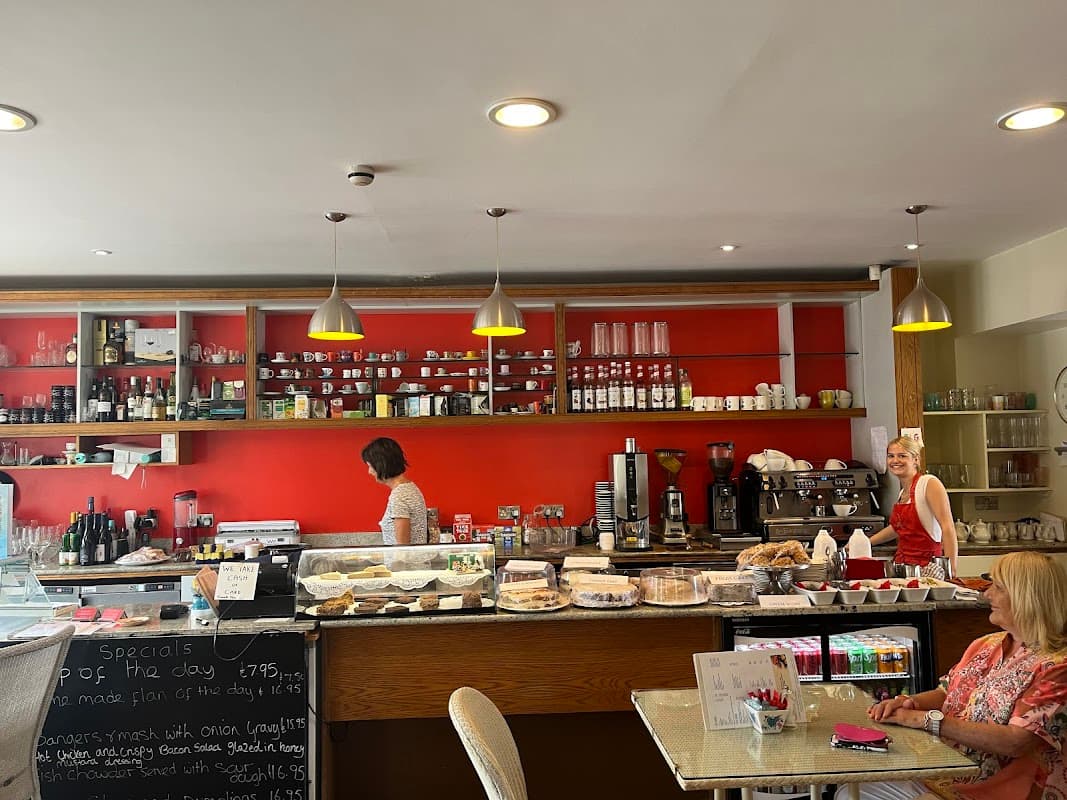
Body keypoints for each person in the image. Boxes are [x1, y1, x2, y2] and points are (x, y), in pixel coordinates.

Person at [839, 552, 1067, 799]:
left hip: (994, 792)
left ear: (1027, 597)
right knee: (850, 791)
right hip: (942, 775)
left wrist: (923, 720)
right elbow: (947, 691)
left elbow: (1015, 742)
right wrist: (907, 702)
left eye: (998, 587)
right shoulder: (986, 644)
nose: (987, 594)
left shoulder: (1056, 668)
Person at [868, 436, 958, 578]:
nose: (895, 460)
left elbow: (947, 527)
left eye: (902, 456)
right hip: (904, 566)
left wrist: (951, 569)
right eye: (891, 456)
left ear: (916, 459)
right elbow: (897, 528)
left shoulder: (928, 483)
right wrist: (866, 542)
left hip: (928, 567)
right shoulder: (903, 493)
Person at [361, 437, 427, 545]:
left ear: (381, 465)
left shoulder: (399, 496)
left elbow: (402, 547)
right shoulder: (409, 488)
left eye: (370, 466)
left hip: (405, 557)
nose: (369, 472)